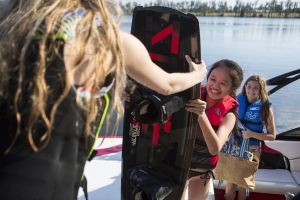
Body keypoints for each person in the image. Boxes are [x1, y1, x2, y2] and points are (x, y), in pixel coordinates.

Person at [0, 0, 207, 199]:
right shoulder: (107, 40)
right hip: (56, 184)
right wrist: (198, 74)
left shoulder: (9, 30)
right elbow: (167, 84)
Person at [184, 59, 244, 200]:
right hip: (179, 166)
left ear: (232, 88)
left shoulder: (229, 116)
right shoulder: (192, 94)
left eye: (223, 83)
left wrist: (201, 114)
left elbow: (214, 149)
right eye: (213, 79)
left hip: (201, 173)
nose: (215, 86)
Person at [225, 75, 276, 200]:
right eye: (249, 86)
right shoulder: (237, 102)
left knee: (243, 185)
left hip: (252, 150)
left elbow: (272, 136)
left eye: (255, 88)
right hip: (234, 146)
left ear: (260, 91)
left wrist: (251, 134)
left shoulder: (266, 108)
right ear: (245, 87)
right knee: (230, 185)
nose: (251, 90)